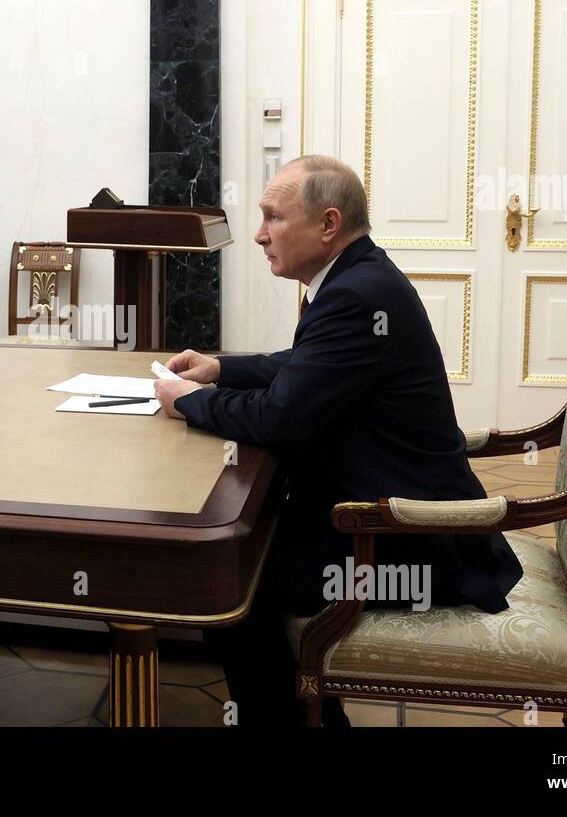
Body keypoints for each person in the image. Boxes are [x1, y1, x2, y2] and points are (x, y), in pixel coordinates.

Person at [154, 155, 522, 727]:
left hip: (406, 538)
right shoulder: (358, 277)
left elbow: (280, 419)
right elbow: (305, 365)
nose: (258, 235)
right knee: (248, 542)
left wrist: (186, 402)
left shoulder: (355, 294)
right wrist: (220, 370)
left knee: (227, 580)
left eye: (273, 218)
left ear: (328, 224)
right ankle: (314, 713)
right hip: (381, 512)